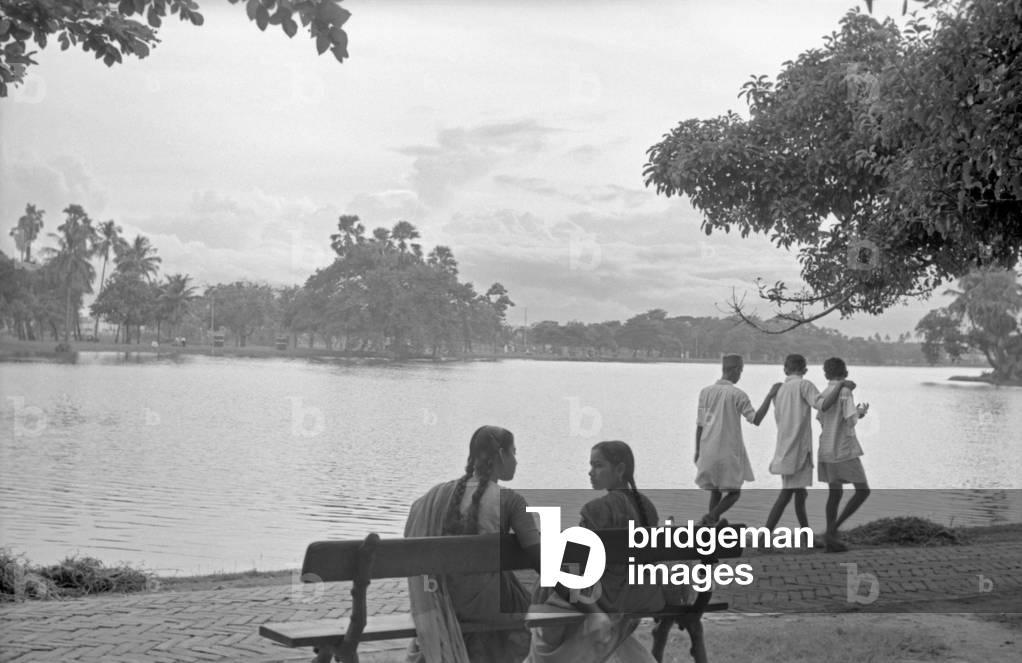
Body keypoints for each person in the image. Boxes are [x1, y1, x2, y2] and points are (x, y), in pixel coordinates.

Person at [405, 426, 541, 663]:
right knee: (531, 606)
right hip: (487, 610)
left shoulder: (431, 498)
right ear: (501, 454)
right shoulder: (510, 501)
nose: (516, 461)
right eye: (514, 453)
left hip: (440, 606)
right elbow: (541, 561)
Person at [527, 441, 664, 663]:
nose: (590, 472)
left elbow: (573, 569)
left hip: (606, 596)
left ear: (619, 470)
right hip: (639, 593)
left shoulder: (596, 511)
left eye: (598, 465)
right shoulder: (647, 508)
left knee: (549, 581)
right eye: (591, 465)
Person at [763, 355, 853, 535]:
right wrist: (841, 386)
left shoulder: (780, 390)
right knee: (788, 494)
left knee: (799, 494)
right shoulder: (804, 385)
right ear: (804, 370)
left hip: (784, 448)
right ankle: (765, 536)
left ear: (785, 370)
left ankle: (806, 536)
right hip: (799, 450)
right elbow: (823, 405)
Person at [694, 354, 775, 525]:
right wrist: (770, 396)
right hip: (727, 451)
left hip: (707, 449)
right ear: (736, 370)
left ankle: (710, 526)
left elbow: (700, 424)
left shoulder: (705, 392)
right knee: (734, 493)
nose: (740, 375)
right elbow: (756, 419)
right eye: (741, 371)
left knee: (715, 491)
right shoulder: (738, 395)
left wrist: (697, 451)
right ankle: (710, 518)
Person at [816, 358, 871, 552]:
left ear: (825, 374)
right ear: (845, 373)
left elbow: (824, 417)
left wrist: (855, 413)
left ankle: (831, 538)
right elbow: (850, 419)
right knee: (863, 491)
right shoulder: (845, 391)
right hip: (843, 449)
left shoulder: (822, 393)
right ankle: (832, 531)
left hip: (826, 449)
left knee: (835, 493)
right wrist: (860, 413)